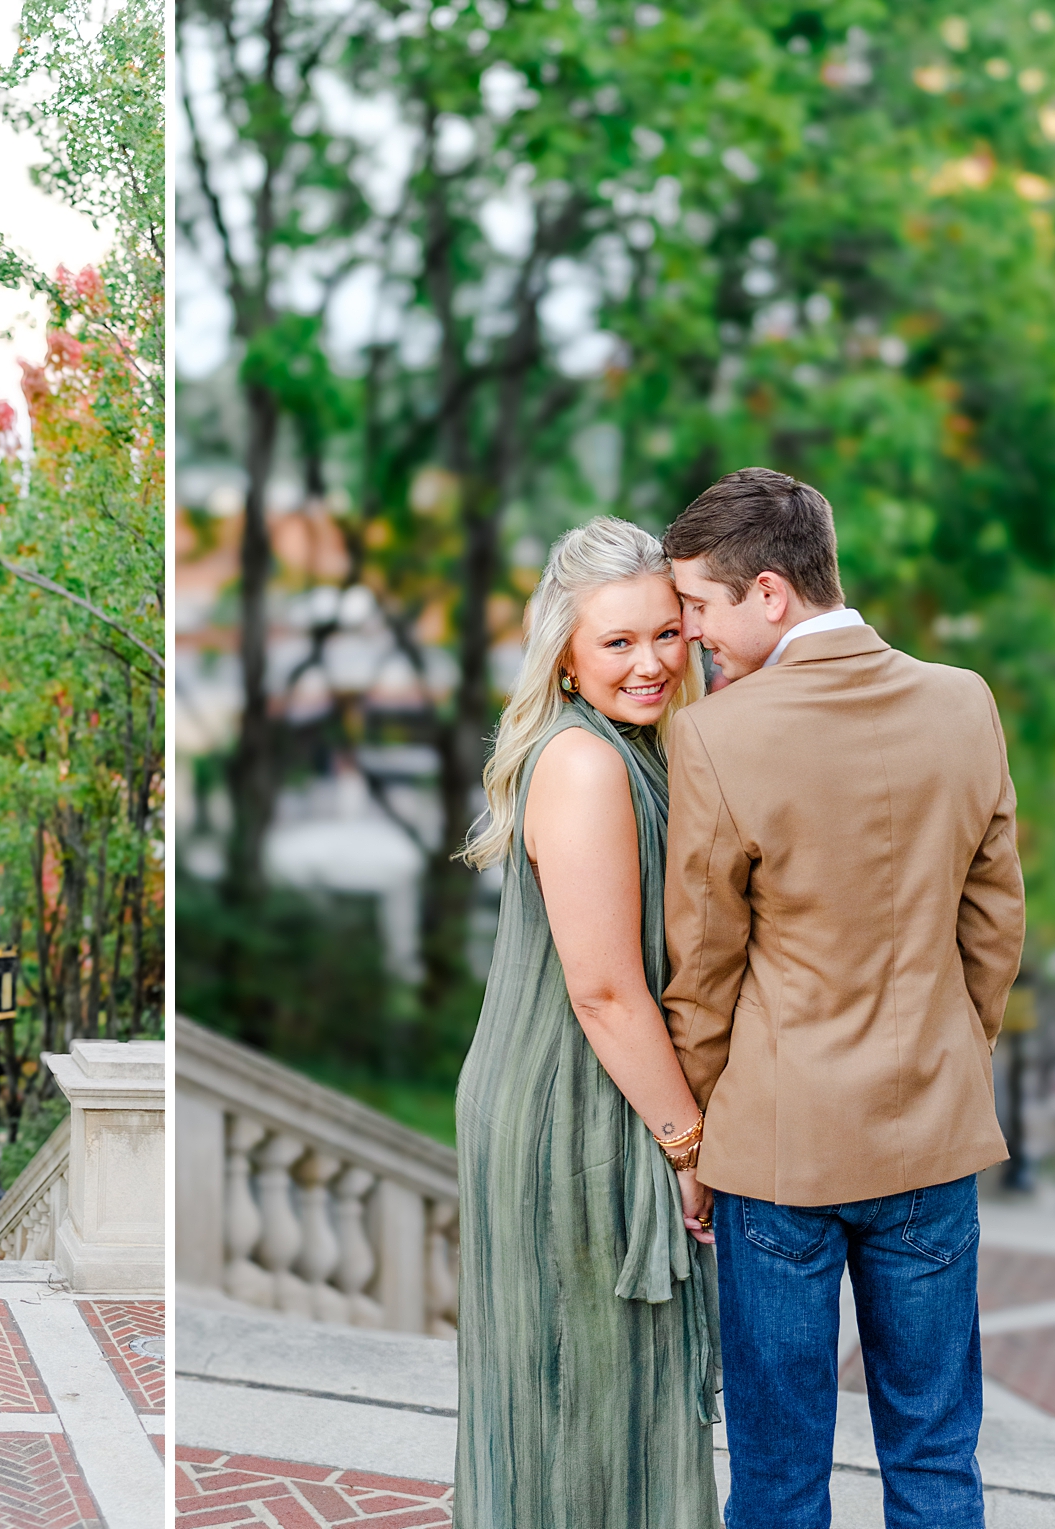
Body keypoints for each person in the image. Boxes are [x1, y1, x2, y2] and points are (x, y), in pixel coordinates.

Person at [661, 467, 1025, 1528]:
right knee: (934, 1457)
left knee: (775, 1478)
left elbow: (704, 969)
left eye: (698, 606)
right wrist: (955, 1057)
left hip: (777, 1154)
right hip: (930, 1134)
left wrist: (694, 1141)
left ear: (768, 592)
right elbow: (993, 923)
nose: (690, 635)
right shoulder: (963, 701)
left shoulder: (716, 735)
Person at [454, 516, 720, 1529]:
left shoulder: (642, 747)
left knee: (608, 1397)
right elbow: (604, 988)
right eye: (616, 641)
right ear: (563, 652)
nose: (648, 661)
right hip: (571, 1107)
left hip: (608, 1092)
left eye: (665, 632)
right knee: (579, 1399)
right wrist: (686, 1141)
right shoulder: (582, 762)